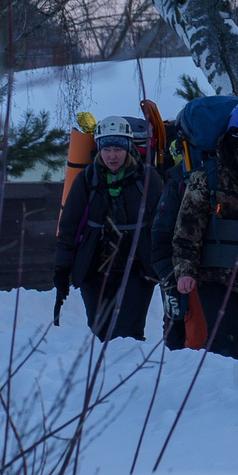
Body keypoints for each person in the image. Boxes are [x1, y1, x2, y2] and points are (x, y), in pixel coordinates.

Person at [167, 101, 238, 360]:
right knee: (225, 345)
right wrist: (185, 271)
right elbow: (187, 230)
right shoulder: (208, 178)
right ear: (237, 144)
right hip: (215, 279)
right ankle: (223, 397)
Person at [53, 115, 161, 341]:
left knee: (128, 336)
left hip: (137, 271)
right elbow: (69, 228)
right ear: (99, 149)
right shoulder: (86, 181)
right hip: (94, 272)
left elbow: (164, 225)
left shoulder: (148, 179)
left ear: (129, 148)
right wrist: (62, 270)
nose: (112, 156)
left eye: (118, 149)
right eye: (107, 149)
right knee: (100, 332)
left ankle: (129, 375)